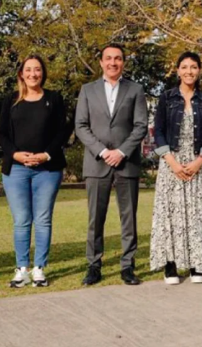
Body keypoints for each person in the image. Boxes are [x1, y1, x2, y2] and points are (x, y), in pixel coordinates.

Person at [75, 44, 148, 286]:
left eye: (117, 59)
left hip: (126, 163)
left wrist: (121, 152)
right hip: (97, 163)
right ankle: (93, 265)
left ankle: (128, 266)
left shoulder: (135, 90)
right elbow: (81, 126)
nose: (113, 63)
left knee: (128, 218)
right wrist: (104, 152)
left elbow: (140, 126)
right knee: (95, 218)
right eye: (108, 58)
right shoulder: (87, 90)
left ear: (123, 63)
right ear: (101, 62)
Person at [0, 55, 69, 287]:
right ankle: (21, 269)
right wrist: (15, 154)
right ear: (21, 73)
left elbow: (62, 131)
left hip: (47, 169)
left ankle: (39, 269)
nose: (33, 74)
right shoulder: (11, 100)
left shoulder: (54, 99)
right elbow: (2, 135)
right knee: (21, 221)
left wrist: (46, 154)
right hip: (16, 169)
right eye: (28, 70)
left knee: (43, 219)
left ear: (43, 73)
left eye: (37, 70)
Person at [150, 51, 202, 285]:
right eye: (185, 67)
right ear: (177, 70)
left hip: (198, 162)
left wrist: (200, 161)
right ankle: (171, 266)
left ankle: (196, 265)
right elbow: (157, 131)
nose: (189, 71)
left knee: (196, 215)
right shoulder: (167, 97)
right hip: (172, 162)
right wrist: (172, 162)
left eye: (194, 67)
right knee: (170, 216)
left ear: (199, 70)